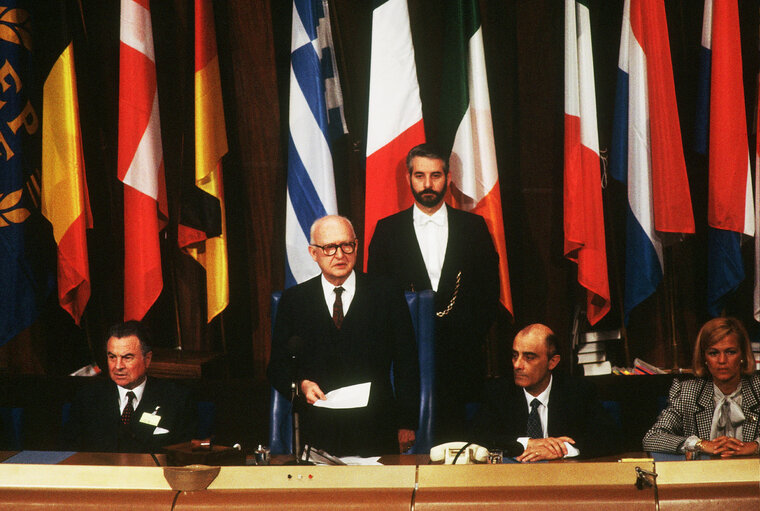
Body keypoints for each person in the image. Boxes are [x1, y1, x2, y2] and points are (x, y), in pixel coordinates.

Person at [367, 143, 500, 441]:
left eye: (436, 175)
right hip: (405, 365)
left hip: (462, 363)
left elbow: (488, 296)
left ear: (448, 178)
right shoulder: (387, 231)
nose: (428, 184)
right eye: (420, 176)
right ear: (408, 178)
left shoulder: (474, 228)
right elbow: (377, 300)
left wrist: (463, 339)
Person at [267, 215, 420, 457]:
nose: (339, 255)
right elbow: (277, 367)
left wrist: (406, 424)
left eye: (346, 245)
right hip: (319, 431)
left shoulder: (386, 294)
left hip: (375, 428)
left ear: (356, 246)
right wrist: (302, 385)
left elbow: (407, 364)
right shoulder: (295, 301)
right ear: (313, 252)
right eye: (329, 247)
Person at [471, 324, 616, 461]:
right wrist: (527, 444)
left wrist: (562, 449)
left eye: (529, 357)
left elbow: (610, 438)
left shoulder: (578, 391)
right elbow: (477, 439)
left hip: (562, 478)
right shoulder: (498, 391)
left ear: (552, 362)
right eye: (515, 355)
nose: (517, 365)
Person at [63, 321, 197, 453]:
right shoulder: (87, 398)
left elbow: (184, 457)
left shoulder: (176, 399)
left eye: (127, 357)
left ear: (147, 359)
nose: (118, 366)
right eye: (112, 357)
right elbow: (69, 454)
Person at [643, 317, 760, 457]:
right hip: (703, 475)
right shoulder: (687, 392)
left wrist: (755, 446)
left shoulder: (758, 389)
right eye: (713, 353)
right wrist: (699, 444)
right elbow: (652, 438)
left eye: (730, 352)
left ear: (743, 355)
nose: (722, 361)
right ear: (704, 358)